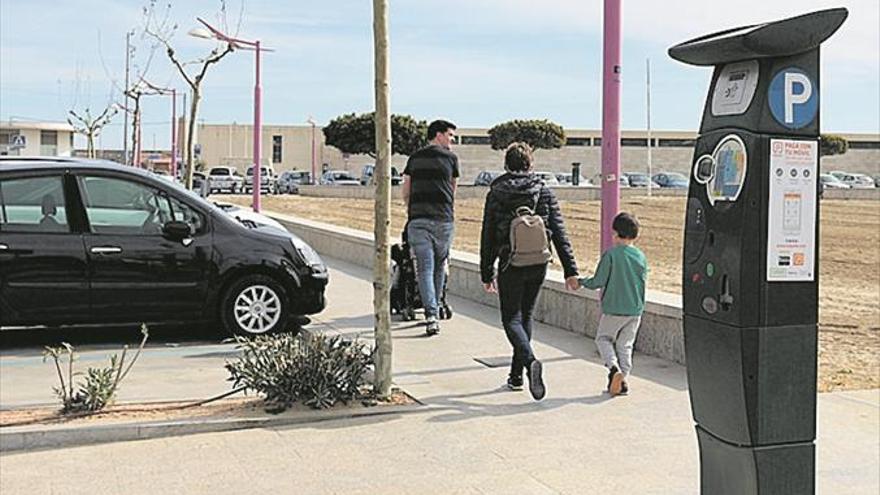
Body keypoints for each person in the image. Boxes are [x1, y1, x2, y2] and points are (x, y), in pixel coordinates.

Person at [479, 142, 579, 401]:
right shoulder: (543, 191)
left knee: (511, 319)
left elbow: (487, 235)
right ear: (530, 164)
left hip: (510, 263)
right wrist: (570, 270)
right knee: (527, 316)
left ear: (506, 164)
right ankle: (516, 376)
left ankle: (529, 361)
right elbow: (559, 232)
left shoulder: (496, 192)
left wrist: (486, 272)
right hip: (538, 263)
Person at [579, 212, 648, 397]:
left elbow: (598, 281)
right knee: (626, 345)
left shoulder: (610, 255)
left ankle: (613, 368)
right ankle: (623, 380)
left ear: (615, 233)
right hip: (635, 309)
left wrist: (581, 281)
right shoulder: (641, 256)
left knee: (603, 339)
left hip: (614, 309)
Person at [402, 119, 459, 336]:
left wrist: (413, 208)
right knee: (438, 267)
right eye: (450, 135)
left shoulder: (414, 158)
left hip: (418, 221)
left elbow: (406, 190)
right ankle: (434, 310)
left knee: (424, 268)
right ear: (438, 135)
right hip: (443, 220)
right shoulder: (451, 159)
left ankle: (431, 315)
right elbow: (453, 191)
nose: (452, 140)